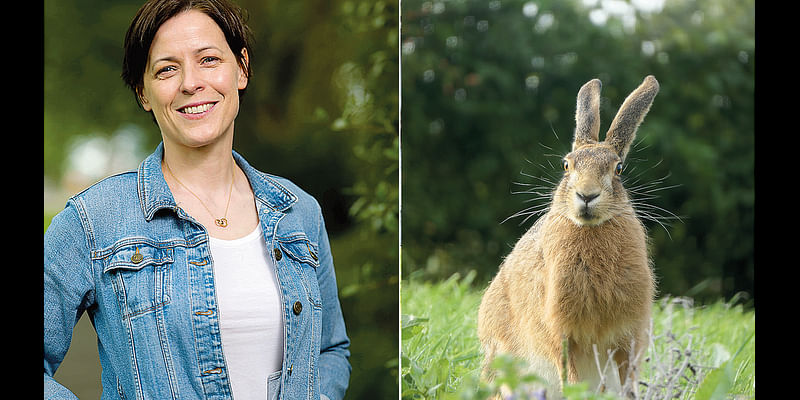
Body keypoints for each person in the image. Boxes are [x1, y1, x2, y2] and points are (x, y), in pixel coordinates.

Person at [43, 1, 351, 399]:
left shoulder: (299, 211)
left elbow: (329, 349)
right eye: (167, 69)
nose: (191, 82)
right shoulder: (93, 220)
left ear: (241, 68)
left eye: (208, 59)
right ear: (144, 92)